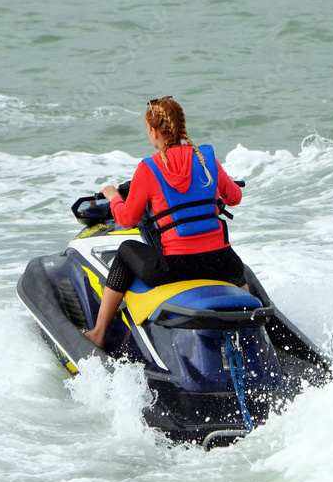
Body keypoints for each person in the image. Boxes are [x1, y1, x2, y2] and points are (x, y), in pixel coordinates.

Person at [83, 96, 248, 348]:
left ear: (152, 130)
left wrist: (114, 196)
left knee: (126, 250)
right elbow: (234, 197)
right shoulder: (206, 161)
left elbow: (127, 218)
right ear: (181, 127)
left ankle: (98, 333)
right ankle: (249, 336)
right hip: (219, 262)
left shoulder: (148, 169)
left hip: (175, 266)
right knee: (238, 270)